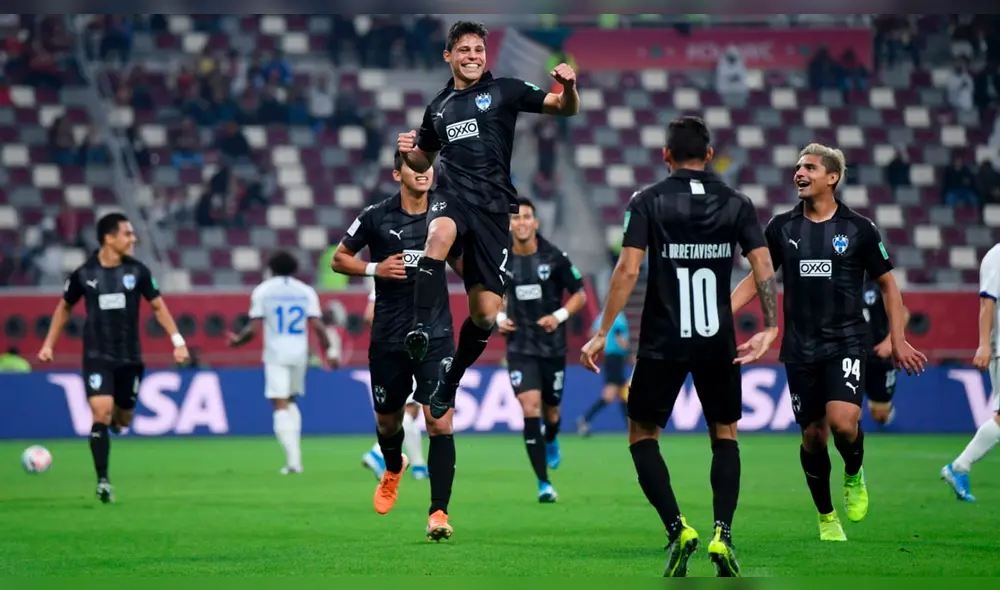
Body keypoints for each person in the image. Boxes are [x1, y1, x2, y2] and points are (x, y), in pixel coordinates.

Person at [581, 116, 780, 577]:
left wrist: (601, 330)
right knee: (724, 435)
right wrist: (770, 326)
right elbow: (764, 265)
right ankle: (722, 534)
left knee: (642, 435)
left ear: (665, 156)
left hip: (663, 340)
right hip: (717, 341)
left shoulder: (646, 201)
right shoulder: (738, 203)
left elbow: (628, 270)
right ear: (709, 155)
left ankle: (677, 529)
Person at [731, 143, 926, 542]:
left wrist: (897, 338)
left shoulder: (859, 229)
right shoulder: (781, 228)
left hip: (847, 342)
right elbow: (758, 279)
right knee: (813, 436)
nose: (798, 174)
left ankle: (854, 473)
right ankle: (826, 515)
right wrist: (721, 315)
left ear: (832, 178)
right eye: (797, 167)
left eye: (809, 168)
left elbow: (889, 285)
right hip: (800, 346)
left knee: (842, 424)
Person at [395, 20, 579, 423]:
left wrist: (569, 87)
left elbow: (563, 108)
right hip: (452, 199)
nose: (473, 56)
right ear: (449, 56)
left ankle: (452, 378)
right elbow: (424, 161)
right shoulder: (438, 108)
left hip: (495, 212)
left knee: (483, 313)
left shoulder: (505, 91)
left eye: (478, 49)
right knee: (438, 235)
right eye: (464, 50)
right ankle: (420, 327)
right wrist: (409, 152)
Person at [332, 151, 463, 541]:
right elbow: (340, 259)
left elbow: (462, 260)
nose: (424, 173)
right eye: (415, 167)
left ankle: (438, 512)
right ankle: (393, 467)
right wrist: (375, 268)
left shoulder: (447, 213)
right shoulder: (375, 216)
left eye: (428, 167)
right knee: (388, 422)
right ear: (397, 173)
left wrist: (488, 291)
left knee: (439, 421)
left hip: (436, 334)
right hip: (389, 336)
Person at [36, 212, 190, 503]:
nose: (133, 239)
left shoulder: (139, 272)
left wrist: (178, 341)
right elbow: (64, 307)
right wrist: (49, 344)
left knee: (121, 420)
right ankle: (103, 481)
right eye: (127, 234)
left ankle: (116, 427)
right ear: (109, 238)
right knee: (101, 414)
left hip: (130, 357)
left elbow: (158, 307)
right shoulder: (84, 274)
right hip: (97, 356)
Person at [496, 197, 586, 502]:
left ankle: (551, 439)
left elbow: (579, 295)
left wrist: (559, 316)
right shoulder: (501, 257)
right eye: (516, 218)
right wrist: (498, 318)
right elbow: (484, 292)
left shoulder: (554, 256)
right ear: (510, 223)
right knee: (530, 408)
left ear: (535, 222)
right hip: (520, 346)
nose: (521, 222)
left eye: (526, 217)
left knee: (552, 412)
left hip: (552, 347)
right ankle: (544, 483)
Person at [227, 251, 334, 474]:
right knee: (292, 401)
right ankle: (295, 457)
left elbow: (254, 328)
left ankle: (293, 461)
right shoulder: (305, 292)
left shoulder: (263, 291)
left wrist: (237, 342)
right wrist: (330, 351)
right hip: (299, 354)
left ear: (271, 269)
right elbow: (318, 326)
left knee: (280, 404)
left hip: (276, 354)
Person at [941, 242, 1000, 502]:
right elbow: (988, 302)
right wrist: (984, 344)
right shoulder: (997, 256)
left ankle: (959, 467)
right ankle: (959, 466)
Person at [361, 284, 430, 482]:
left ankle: (418, 466)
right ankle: (377, 453)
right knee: (405, 410)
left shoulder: (385, 274)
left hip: (389, 350)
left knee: (410, 411)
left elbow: (369, 317)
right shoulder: (420, 275)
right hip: (410, 349)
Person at [861, 276, 910, 426]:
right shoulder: (837, 280)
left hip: (878, 358)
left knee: (880, 415)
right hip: (850, 355)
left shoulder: (877, 285)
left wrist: (890, 342)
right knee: (848, 410)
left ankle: (885, 409)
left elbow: (903, 313)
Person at [577, 309, 631, 436]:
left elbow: (592, 332)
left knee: (621, 394)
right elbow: (620, 338)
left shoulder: (603, 316)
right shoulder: (618, 317)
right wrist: (629, 353)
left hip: (610, 358)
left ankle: (631, 427)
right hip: (615, 358)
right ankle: (585, 419)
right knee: (612, 394)